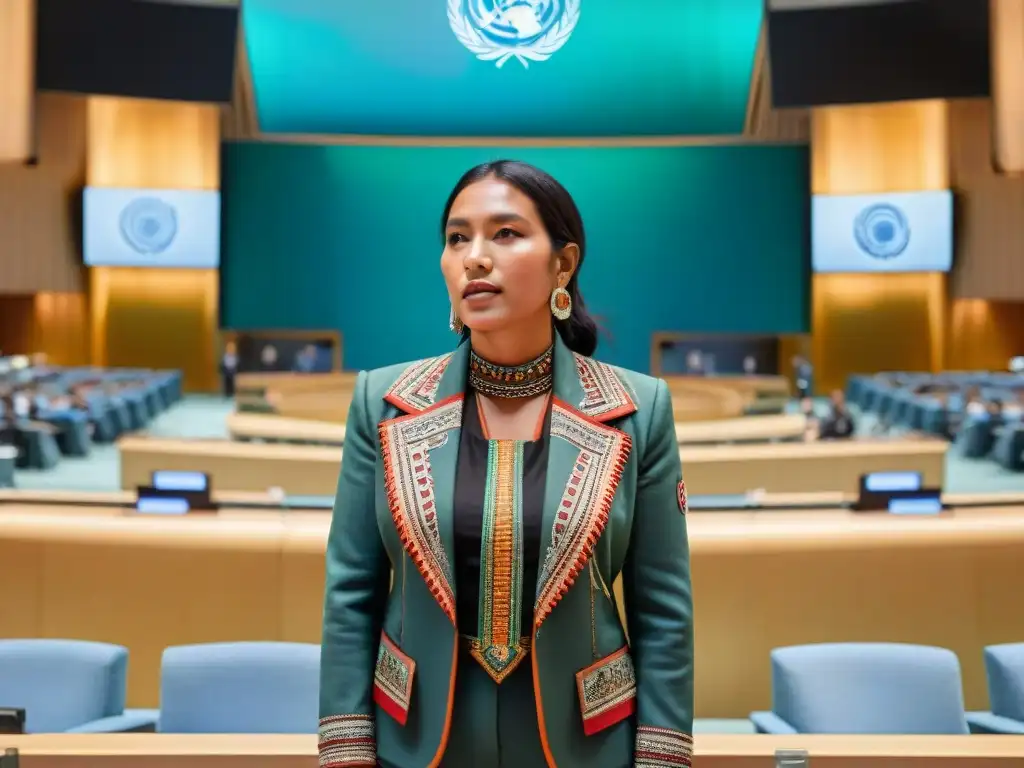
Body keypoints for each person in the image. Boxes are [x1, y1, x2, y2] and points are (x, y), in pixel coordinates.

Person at [319, 161, 693, 768]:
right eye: (457, 238)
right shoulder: (384, 405)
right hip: (415, 742)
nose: (474, 257)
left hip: (585, 744)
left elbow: (664, 612)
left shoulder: (637, 410)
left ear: (563, 265)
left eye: (507, 234)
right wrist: (345, 750)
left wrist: (663, 758)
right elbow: (350, 596)